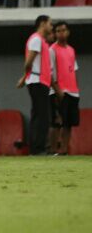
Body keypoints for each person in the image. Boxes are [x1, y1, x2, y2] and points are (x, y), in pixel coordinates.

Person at [17, 15, 53, 156]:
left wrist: (24, 78)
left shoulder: (41, 41)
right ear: (42, 24)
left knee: (39, 115)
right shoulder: (36, 39)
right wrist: (26, 76)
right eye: (50, 24)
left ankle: (36, 148)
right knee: (42, 116)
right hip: (38, 81)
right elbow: (28, 62)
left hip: (39, 81)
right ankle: (38, 148)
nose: (51, 27)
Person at [50, 21, 80, 156]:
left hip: (73, 92)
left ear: (68, 32)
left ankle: (64, 151)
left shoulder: (71, 50)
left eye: (63, 30)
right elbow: (50, 72)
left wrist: (76, 89)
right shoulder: (52, 50)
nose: (61, 33)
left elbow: (74, 70)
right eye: (58, 31)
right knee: (57, 122)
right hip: (59, 91)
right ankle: (52, 151)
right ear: (55, 34)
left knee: (69, 123)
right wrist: (57, 90)